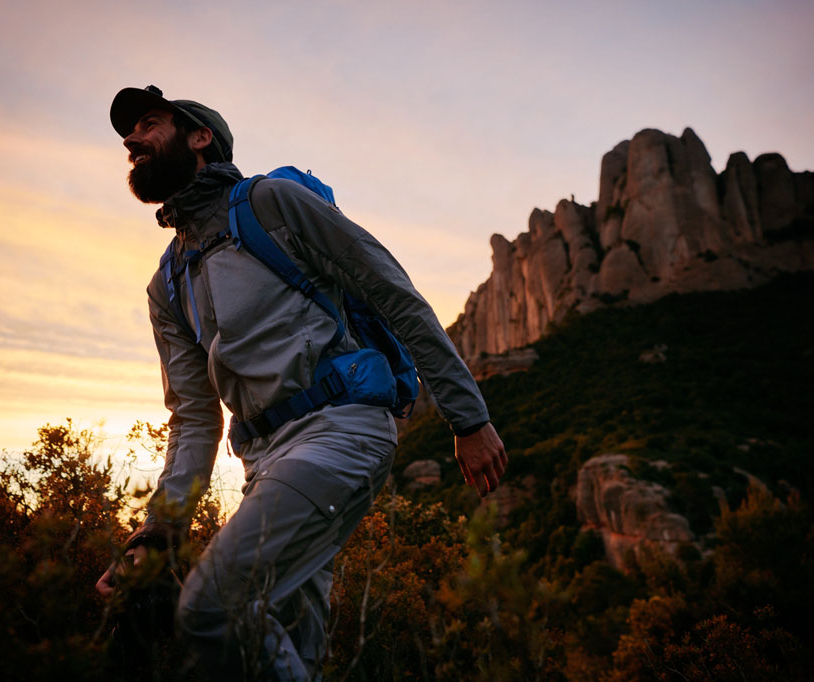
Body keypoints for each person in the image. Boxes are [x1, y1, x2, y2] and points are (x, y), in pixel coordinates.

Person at [96, 85, 507, 680]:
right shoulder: (168, 284)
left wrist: (468, 418)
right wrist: (161, 528)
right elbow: (193, 420)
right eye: (127, 136)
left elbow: (392, 291)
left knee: (214, 607)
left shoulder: (271, 204)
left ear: (199, 137)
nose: (131, 140)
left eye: (149, 124)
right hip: (263, 464)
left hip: (342, 434)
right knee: (288, 643)